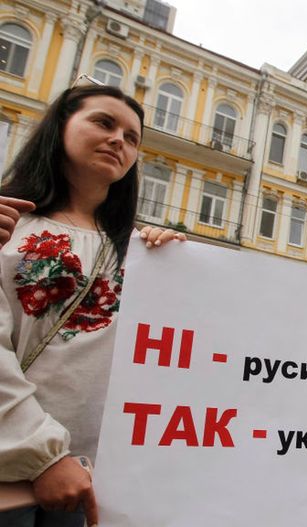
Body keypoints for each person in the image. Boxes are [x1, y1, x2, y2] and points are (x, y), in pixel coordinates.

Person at [0, 84, 182, 527]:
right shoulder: (8, 223)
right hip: (13, 466)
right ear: (61, 127)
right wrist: (40, 455)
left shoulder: (138, 251)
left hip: (91, 479)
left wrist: (179, 269)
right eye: (103, 122)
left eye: (132, 137)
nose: (119, 139)